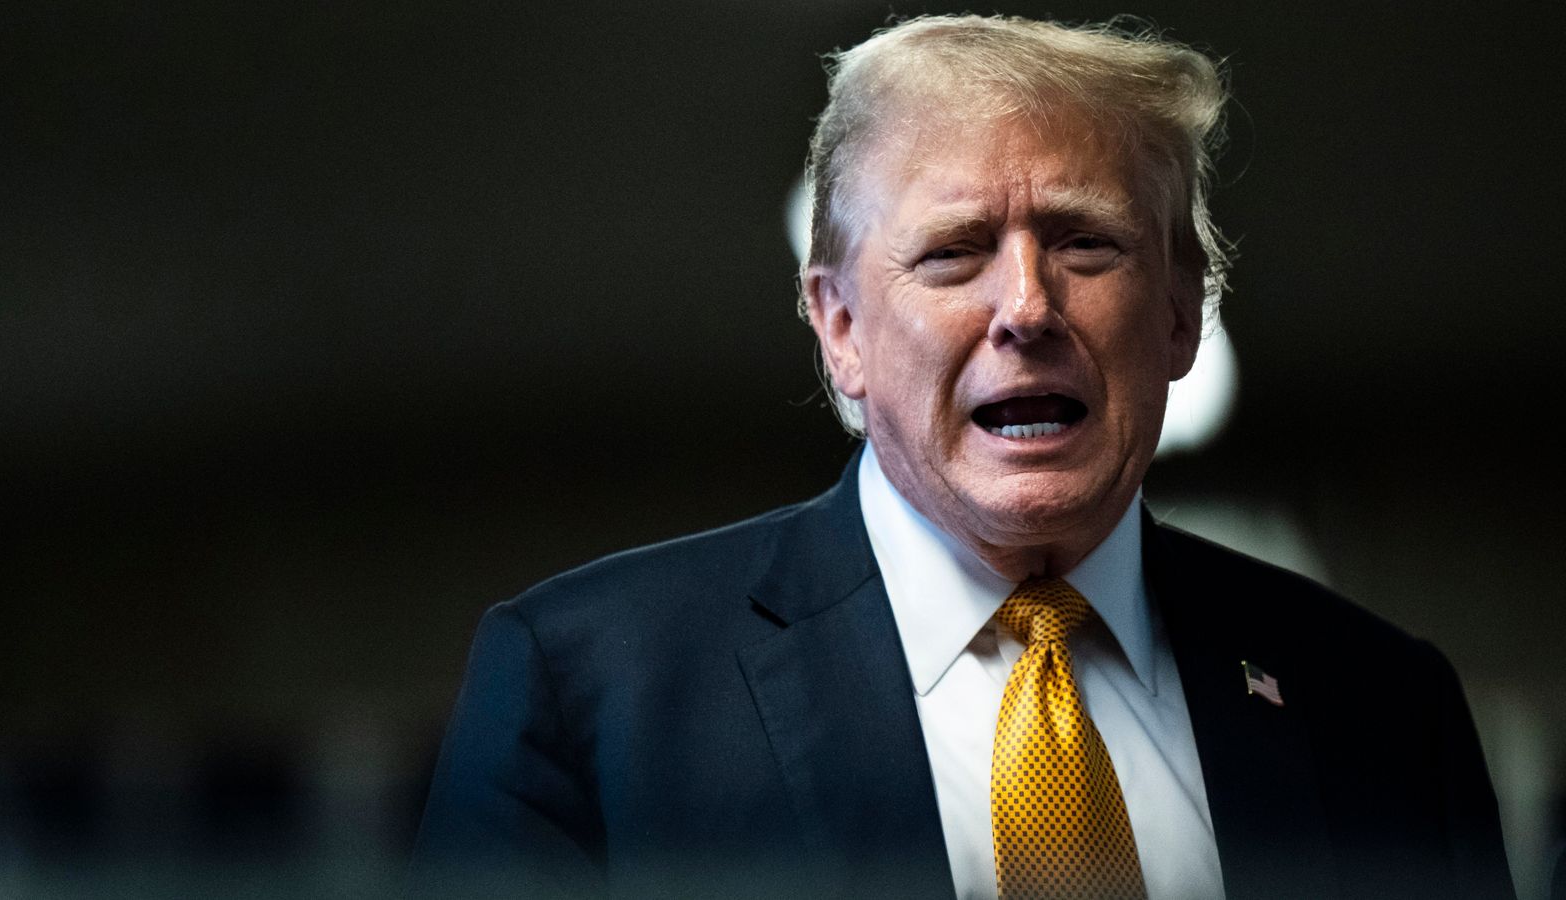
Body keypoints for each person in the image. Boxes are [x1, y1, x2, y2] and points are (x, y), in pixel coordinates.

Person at [410, 14, 1514, 900]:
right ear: (837, 327)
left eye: (1087, 242)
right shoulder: (590, 689)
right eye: (952, 253)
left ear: (1181, 313)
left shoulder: (1381, 704)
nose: (1027, 307)